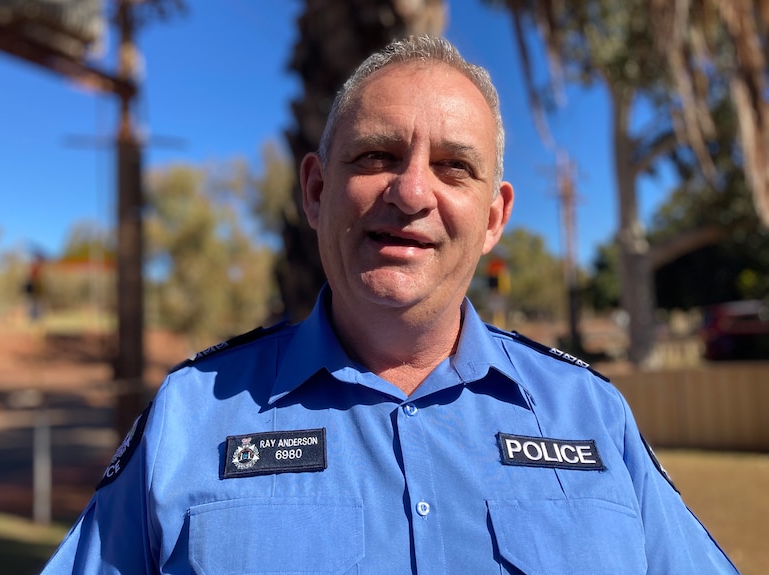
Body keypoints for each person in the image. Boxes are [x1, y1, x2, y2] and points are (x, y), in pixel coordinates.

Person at [41, 35, 738, 574]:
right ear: (315, 191)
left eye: (453, 167)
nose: (410, 193)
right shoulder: (191, 414)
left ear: (494, 217)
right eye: (376, 155)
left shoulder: (590, 413)